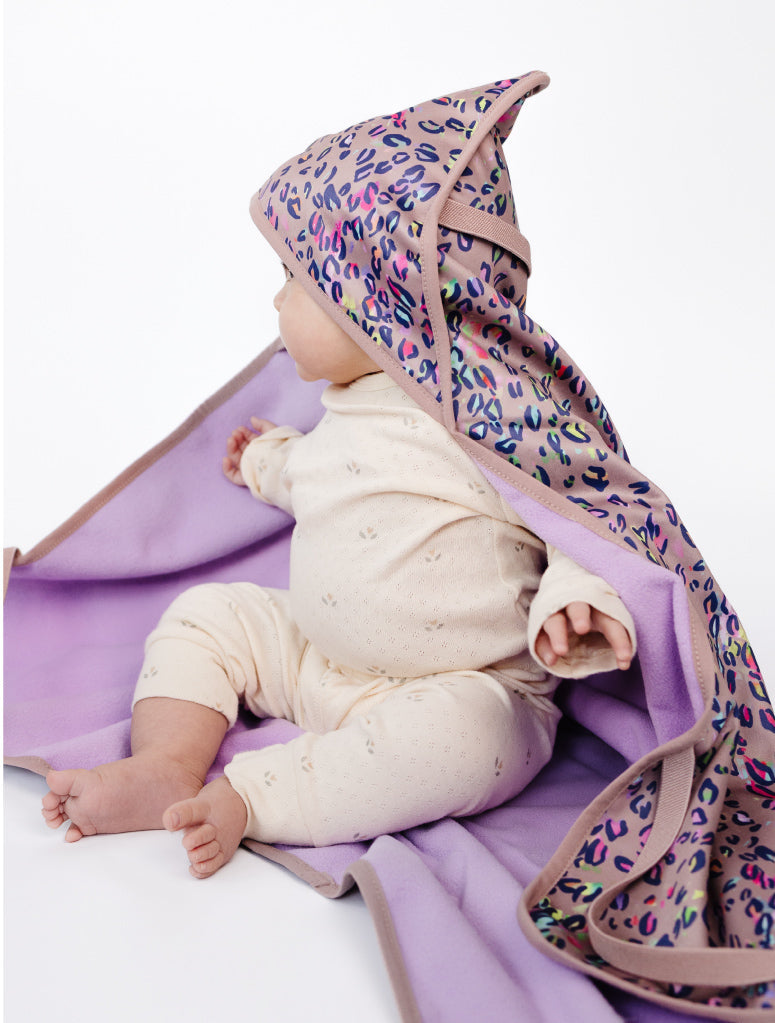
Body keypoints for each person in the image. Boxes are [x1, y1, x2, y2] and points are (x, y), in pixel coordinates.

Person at [42, 263, 636, 878]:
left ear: (379, 305)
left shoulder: (488, 424)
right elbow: (308, 475)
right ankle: (166, 763)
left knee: (468, 739)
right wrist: (262, 459)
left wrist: (575, 596)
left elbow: (574, 518)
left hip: (468, 684)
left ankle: (257, 798)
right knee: (207, 614)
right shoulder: (341, 411)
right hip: (316, 662)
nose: (277, 298)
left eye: (295, 280)